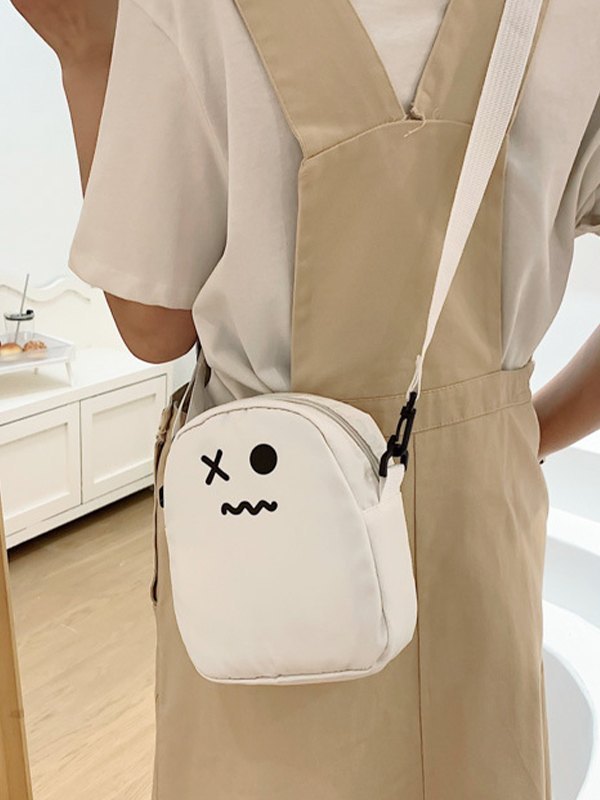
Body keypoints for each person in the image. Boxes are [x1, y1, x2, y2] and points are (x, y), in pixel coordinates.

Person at [10, 0, 600, 797]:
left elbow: (153, 326)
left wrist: (88, 56)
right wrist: (508, 432)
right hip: (480, 524)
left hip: (265, 530)